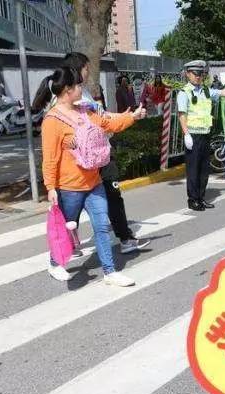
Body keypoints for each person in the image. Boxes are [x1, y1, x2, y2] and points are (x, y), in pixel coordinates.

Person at [33, 67, 147, 285]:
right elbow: (50, 158)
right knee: (67, 229)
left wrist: (132, 117)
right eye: (78, 85)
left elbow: (108, 123)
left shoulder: (85, 111)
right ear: (67, 89)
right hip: (69, 188)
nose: (81, 88)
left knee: (102, 227)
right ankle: (55, 263)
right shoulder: (52, 120)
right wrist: (51, 188)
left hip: (94, 182)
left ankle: (109, 272)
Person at [63, 52, 150, 255]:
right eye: (86, 68)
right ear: (77, 69)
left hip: (100, 155)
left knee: (112, 195)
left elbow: (103, 117)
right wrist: (129, 118)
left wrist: (128, 116)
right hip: (84, 160)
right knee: (75, 203)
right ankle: (66, 245)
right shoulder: (69, 98)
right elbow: (101, 122)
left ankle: (125, 238)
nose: (89, 72)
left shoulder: (83, 92)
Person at [177, 60, 225, 211]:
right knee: (193, 170)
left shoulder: (205, 91)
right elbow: (182, 115)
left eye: (201, 74)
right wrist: (186, 134)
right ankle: (193, 200)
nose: (198, 77)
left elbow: (222, 93)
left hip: (205, 134)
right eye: (195, 74)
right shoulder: (184, 92)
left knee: (204, 170)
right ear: (188, 74)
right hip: (193, 136)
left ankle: (201, 198)